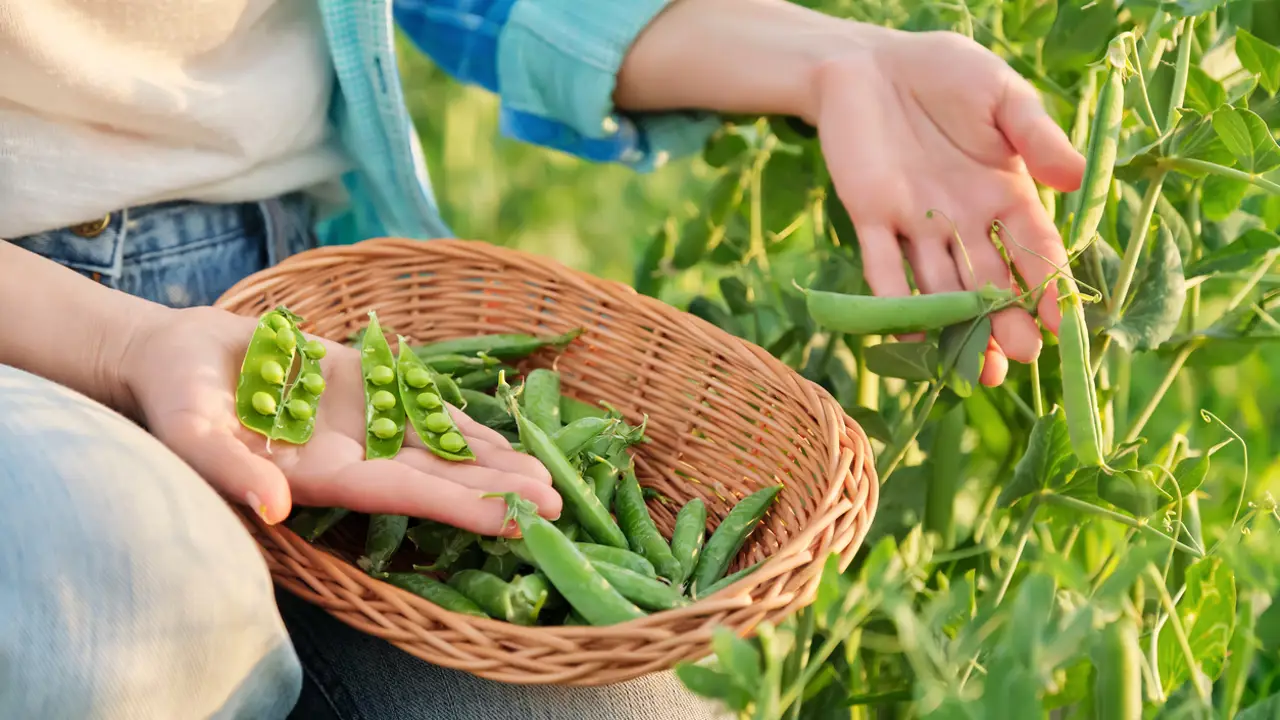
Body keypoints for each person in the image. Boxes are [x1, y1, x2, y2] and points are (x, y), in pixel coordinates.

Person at [0, 0, 1085, 717]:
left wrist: (831, 58)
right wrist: (118, 342)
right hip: (26, 333)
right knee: (116, 625)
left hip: (292, 315)